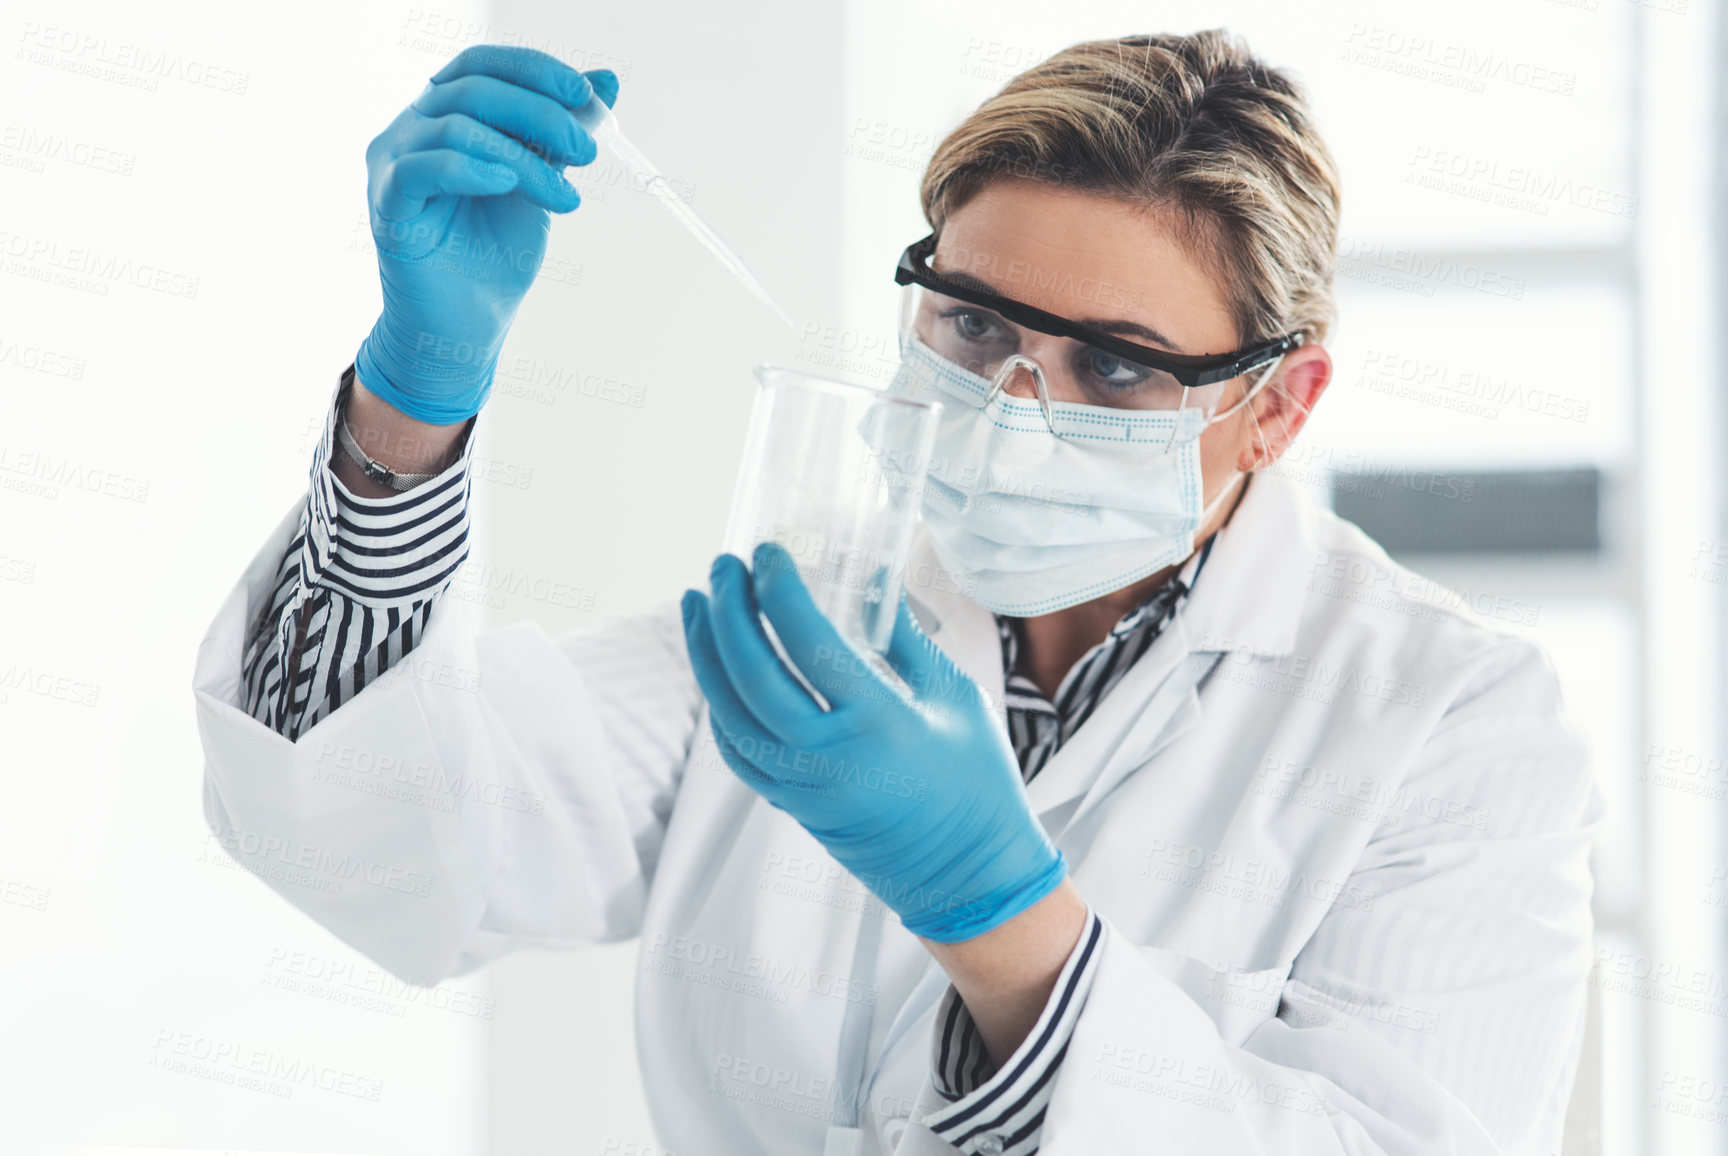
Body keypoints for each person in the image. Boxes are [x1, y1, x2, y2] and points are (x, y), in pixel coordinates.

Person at [193, 30, 1602, 1155]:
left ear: (1280, 406)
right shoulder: (825, 606)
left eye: (1116, 364)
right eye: (974, 323)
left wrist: (991, 908)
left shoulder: (1454, 727)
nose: (1006, 404)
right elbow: (385, 854)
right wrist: (410, 403)